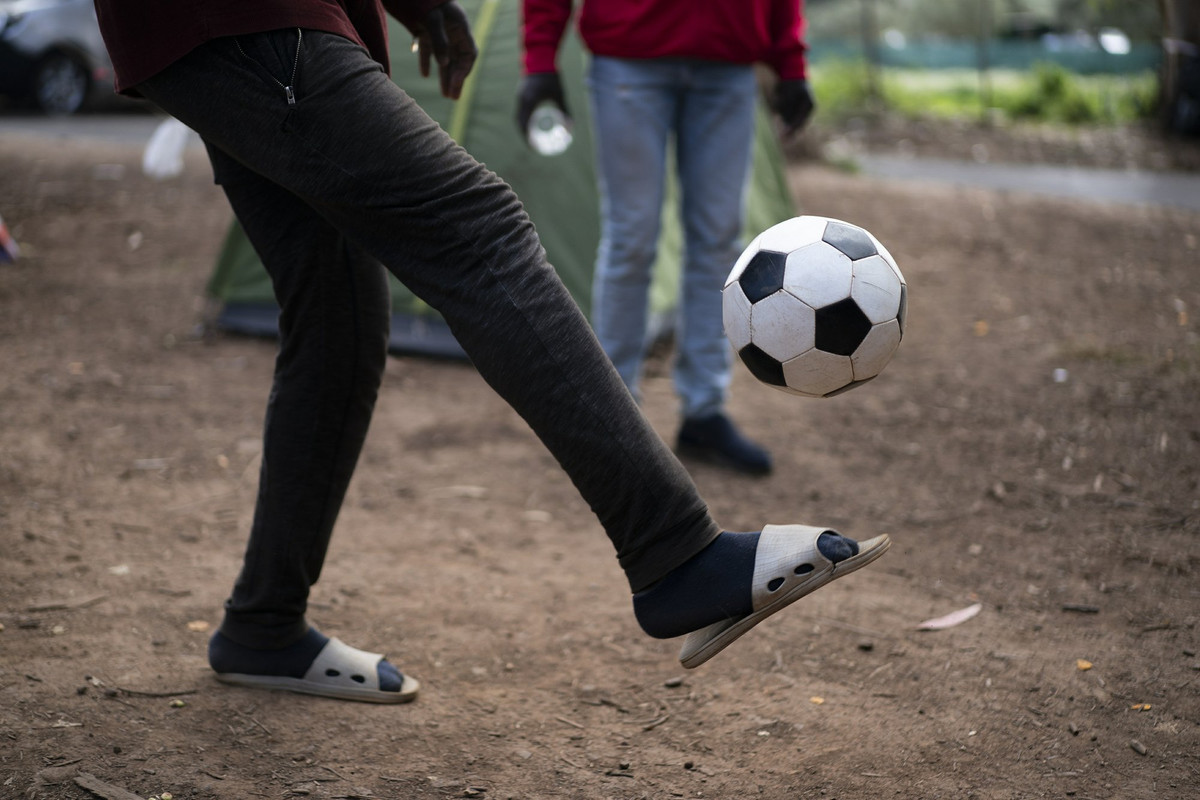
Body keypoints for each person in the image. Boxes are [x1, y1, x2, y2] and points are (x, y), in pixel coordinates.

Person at [92, 0, 885, 704]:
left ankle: (263, 624)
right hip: (245, 21)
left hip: (237, 28)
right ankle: (675, 554)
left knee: (339, 322)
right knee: (477, 229)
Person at [517, 0, 817, 476]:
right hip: (627, 59)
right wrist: (539, 61)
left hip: (728, 65)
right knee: (631, 238)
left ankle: (704, 413)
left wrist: (791, 62)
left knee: (719, 243)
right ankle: (612, 419)